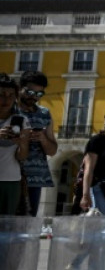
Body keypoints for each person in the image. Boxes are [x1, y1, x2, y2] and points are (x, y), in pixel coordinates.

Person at [17, 71, 56, 217]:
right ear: (19, 88)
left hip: (35, 178)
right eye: (30, 92)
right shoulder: (8, 110)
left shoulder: (44, 113)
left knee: (27, 222)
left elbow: (52, 151)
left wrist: (43, 138)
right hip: (10, 175)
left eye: (39, 94)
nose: (34, 97)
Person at [0, 74, 30, 215]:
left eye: (11, 95)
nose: (6, 99)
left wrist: (22, 144)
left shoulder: (20, 120)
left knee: (7, 226)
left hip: (11, 181)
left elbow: (21, 156)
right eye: (2, 94)